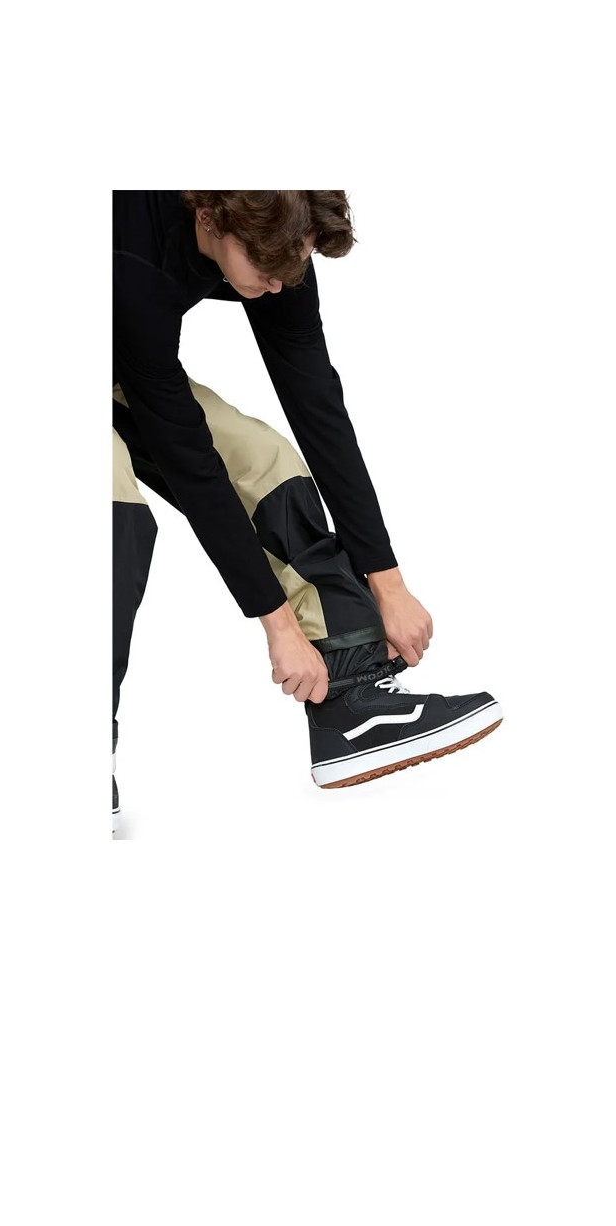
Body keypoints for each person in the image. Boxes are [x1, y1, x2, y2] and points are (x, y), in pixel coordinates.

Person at [112, 190, 502, 832]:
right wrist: (277, 627)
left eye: (294, 266)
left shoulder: (275, 232)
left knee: (269, 465)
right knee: (114, 514)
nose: (280, 284)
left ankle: (351, 699)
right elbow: (187, 456)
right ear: (206, 216)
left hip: (121, 357)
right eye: (267, 268)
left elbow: (316, 404)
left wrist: (388, 582)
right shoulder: (134, 246)